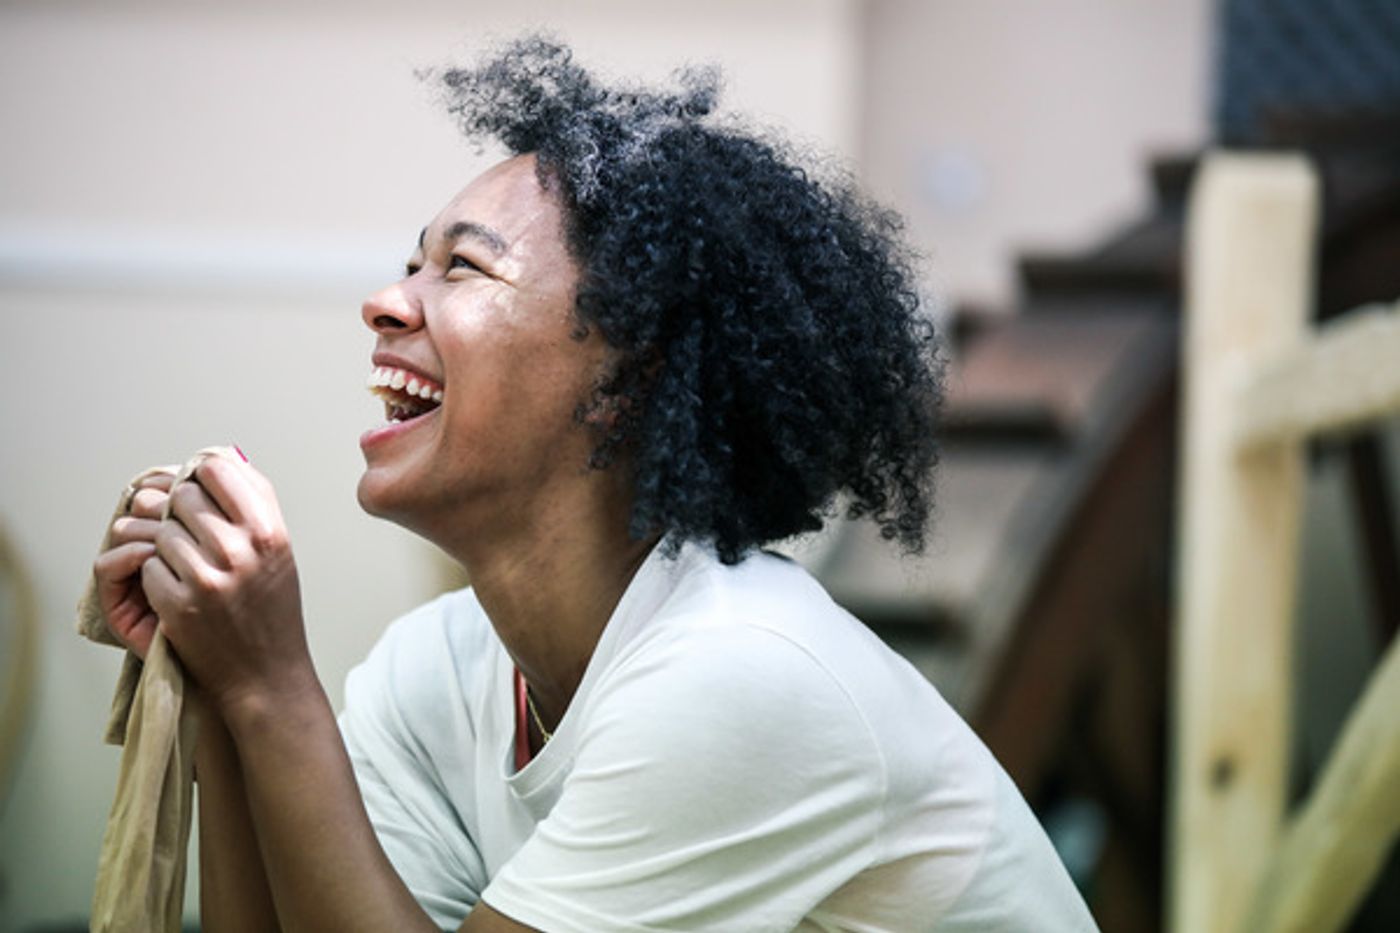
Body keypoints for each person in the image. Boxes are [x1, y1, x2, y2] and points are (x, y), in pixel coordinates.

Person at [91, 35, 1096, 932]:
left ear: (627, 372)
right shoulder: (434, 670)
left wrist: (272, 684)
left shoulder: (740, 675)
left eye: (462, 270)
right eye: (409, 265)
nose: (384, 302)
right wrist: (224, 686)